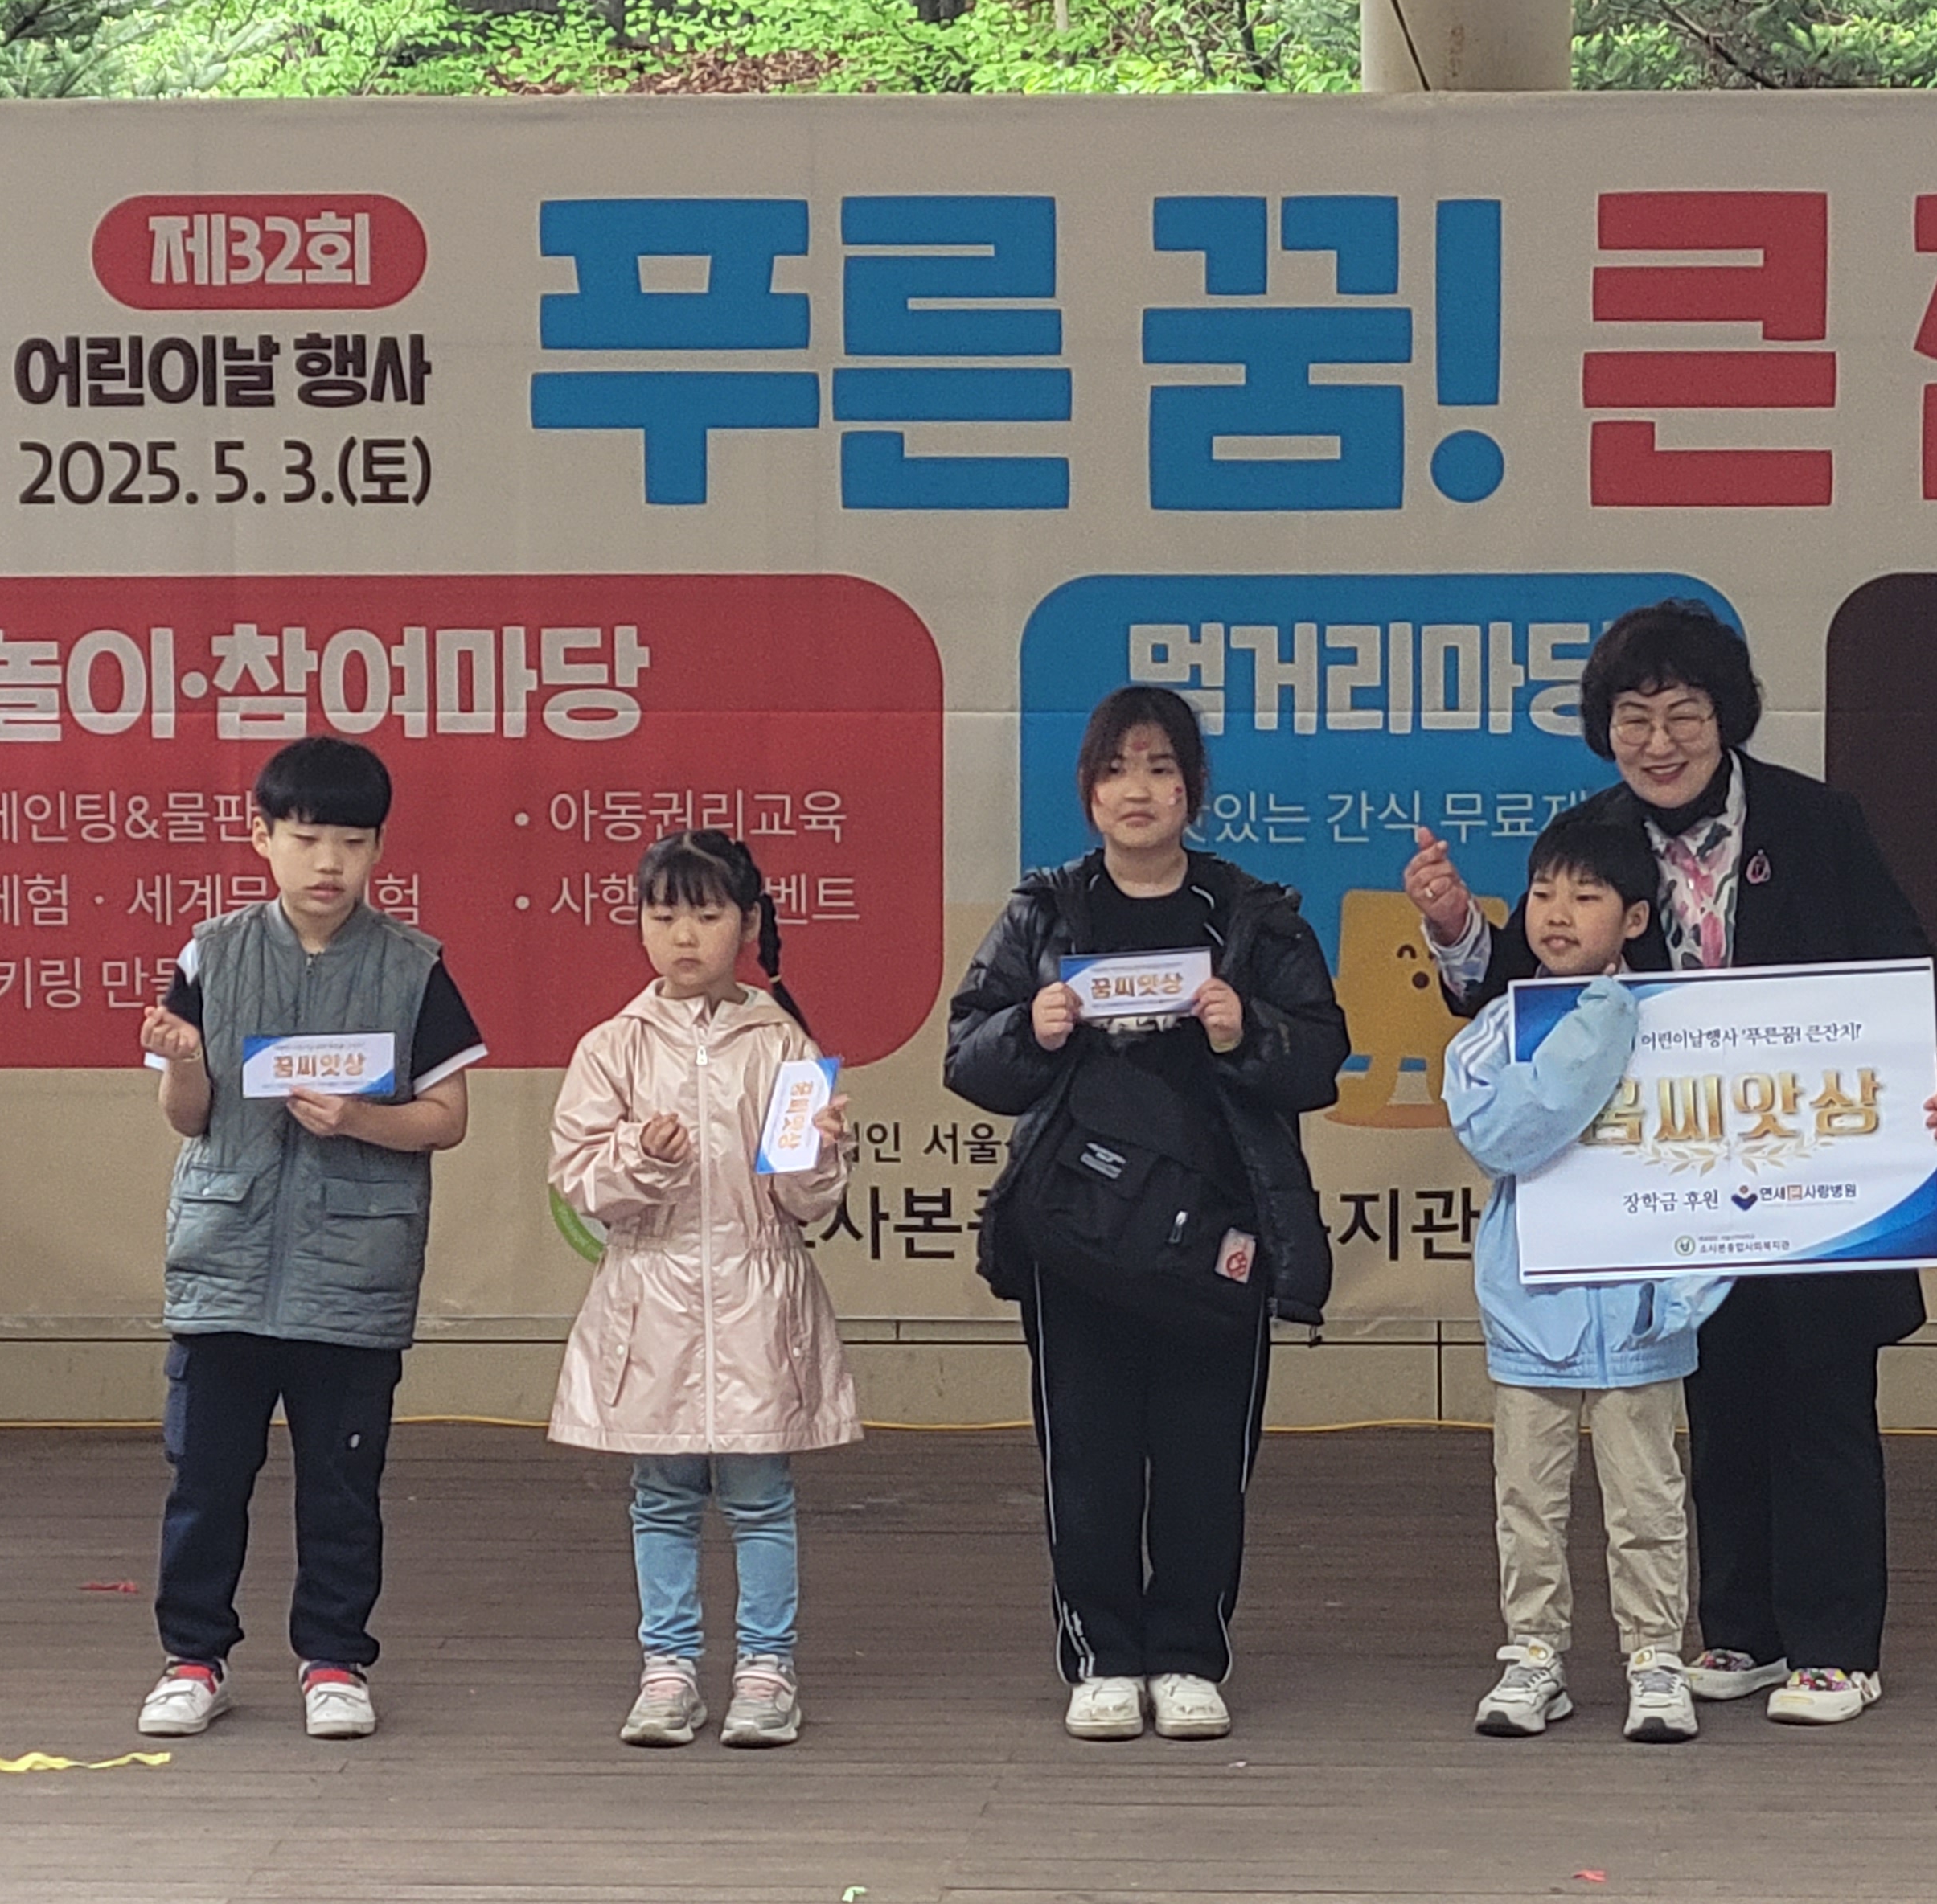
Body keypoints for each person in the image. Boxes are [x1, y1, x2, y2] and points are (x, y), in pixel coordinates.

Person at [1404, 599, 1937, 1729]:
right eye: (1634, 717)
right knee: (1713, 1397)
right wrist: (1463, 927)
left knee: (1821, 1392)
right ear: (1603, 728)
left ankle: (1835, 1647)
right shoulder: (1589, 836)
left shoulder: (1817, 822)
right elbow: (1528, 993)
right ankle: (1743, 1629)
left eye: (1683, 714)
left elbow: (1903, 966)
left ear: (1729, 716)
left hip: (1806, 1176)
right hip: (1659, 1196)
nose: (1658, 742)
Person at [945, 687, 1347, 1744]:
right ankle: (1102, 1657)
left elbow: (1319, 1058)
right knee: (1088, 1453)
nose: (1140, 790)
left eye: (1162, 768)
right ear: (1088, 792)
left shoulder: (1251, 915)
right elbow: (968, 1056)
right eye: (1117, 769)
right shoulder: (1045, 913)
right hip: (1076, 1232)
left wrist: (1245, 1028)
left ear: (1193, 791)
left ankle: (1188, 1654)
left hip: (1219, 1230)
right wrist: (1030, 1028)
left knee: (1207, 1456)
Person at [136, 736, 481, 1742]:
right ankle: (192, 1659)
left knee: (342, 1484)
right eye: (306, 838)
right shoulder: (212, 952)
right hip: (227, 1265)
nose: (329, 862)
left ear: (380, 849)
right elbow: (189, 1118)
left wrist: (361, 1119)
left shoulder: (413, 966)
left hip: (352, 1271)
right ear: (261, 838)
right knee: (206, 1480)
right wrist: (184, 1060)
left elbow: (448, 1118)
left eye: (353, 842)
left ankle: (334, 1661)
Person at [548, 831, 859, 1752]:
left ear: (749, 924)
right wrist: (640, 1156)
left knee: (761, 1495)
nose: (684, 935)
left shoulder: (781, 1039)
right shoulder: (612, 1046)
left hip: (758, 1296)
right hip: (655, 1298)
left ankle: (767, 1670)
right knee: (662, 1495)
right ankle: (669, 1669)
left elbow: (804, 1201)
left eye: (708, 914)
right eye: (664, 914)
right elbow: (578, 1177)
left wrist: (817, 1152)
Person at [1442, 812, 1729, 1746]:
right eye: (1543, 893)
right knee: (1528, 1500)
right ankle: (1534, 1657)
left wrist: (1688, 1289)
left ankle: (1656, 1660)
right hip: (1534, 1313)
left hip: (1644, 1315)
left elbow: (1722, 1158)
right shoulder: (1500, 1025)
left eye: (1586, 895)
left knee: (1648, 1502)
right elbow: (1498, 1135)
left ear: (1637, 918)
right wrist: (1599, 1028)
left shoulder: (1683, 1022)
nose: (1558, 913)